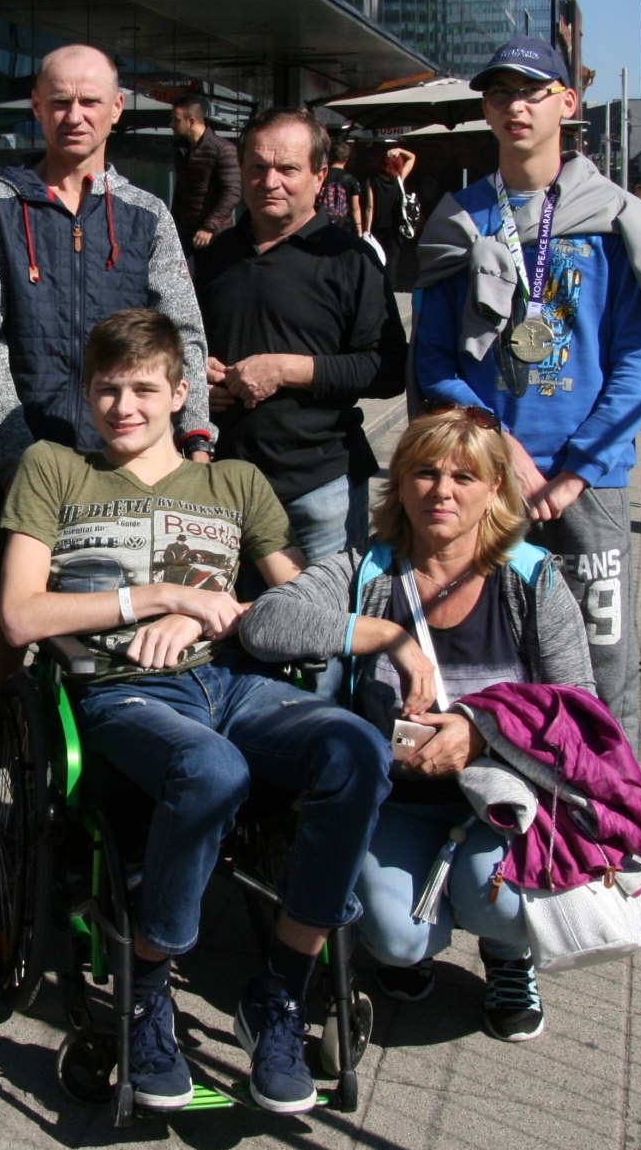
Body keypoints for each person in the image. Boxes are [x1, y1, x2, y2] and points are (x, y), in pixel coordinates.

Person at [0, 309, 390, 1115]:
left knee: (355, 749)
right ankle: (147, 992)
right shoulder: (54, 469)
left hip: (238, 682)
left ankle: (279, 995)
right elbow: (18, 616)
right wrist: (155, 597)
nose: (124, 407)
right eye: (107, 390)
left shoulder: (233, 483)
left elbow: (298, 605)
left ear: (182, 394)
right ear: (87, 393)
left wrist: (219, 611)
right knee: (212, 769)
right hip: (124, 690)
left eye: (144, 389)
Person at [241, 406, 597, 1041]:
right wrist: (387, 636)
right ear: (400, 484)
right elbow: (265, 624)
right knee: (398, 941)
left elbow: (580, 708)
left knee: (502, 904)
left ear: (495, 489)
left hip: (502, 798)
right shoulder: (367, 570)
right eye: (425, 473)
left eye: (464, 477)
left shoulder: (532, 578)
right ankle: (419, 943)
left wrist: (481, 733)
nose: (442, 491)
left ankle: (507, 955)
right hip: (397, 798)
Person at [412, 37, 641, 739]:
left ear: (567, 103)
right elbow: (433, 361)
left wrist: (575, 471)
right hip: (484, 475)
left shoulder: (615, 220)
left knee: (601, 667)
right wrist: (503, 448)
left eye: (532, 91)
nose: (515, 106)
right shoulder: (460, 220)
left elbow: (637, 360)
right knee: (484, 653)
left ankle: (610, 799)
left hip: (589, 484)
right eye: (499, 93)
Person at [0, 44, 216, 695]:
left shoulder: (147, 213)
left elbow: (183, 331)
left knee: (108, 641)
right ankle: (5, 749)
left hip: (119, 463)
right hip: (14, 462)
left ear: (117, 109)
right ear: (37, 107)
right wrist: (18, 456)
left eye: (90, 101)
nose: (75, 115)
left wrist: (196, 435)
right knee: (5, 642)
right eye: (60, 101)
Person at [196, 107, 406, 573]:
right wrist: (195, 376)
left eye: (287, 169)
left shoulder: (351, 260)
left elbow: (389, 369)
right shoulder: (216, 255)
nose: (269, 181)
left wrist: (288, 370)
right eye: (257, 167)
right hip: (224, 484)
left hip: (319, 487)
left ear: (319, 176)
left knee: (321, 618)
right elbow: (184, 345)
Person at [169, 91, 239, 259]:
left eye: (176, 120)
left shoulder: (223, 149)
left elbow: (232, 192)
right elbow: (180, 192)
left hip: (215, 237)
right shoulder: (182, 150)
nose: (171, 125)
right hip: (186, 235)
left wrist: (209, 227)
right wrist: (172, 227)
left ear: (191, 121)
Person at [367, 142, 416, 272]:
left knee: (377, 261)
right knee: (392, 263)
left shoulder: (372, 180)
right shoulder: (399, 178)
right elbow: (412, 158)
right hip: (395, 227)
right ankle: (389, 284)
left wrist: (367, 229)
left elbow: (370, 206)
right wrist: (399, 150)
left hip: (377, 226)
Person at [317, 138, 366, 236]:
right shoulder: (352, 180)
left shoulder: (321, 177)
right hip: (344, 225)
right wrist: (359, 229)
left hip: (321, 223)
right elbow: (355, 208)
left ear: (330, 157)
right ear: (347, 159)